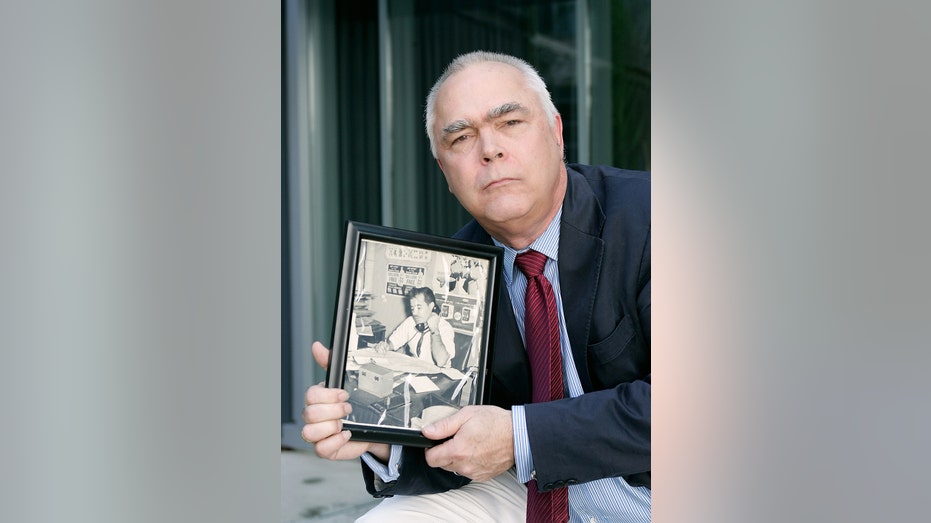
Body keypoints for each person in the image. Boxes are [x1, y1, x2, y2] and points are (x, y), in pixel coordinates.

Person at [302, 50, 651, 522]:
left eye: (509, 122)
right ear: (445, 173)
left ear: (556, 132)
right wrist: (381, 435)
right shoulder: (454, 270)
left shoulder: (654, 216)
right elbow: (469, 444)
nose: (489, 149)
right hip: (539, 494)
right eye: (462, 137)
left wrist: (518, 436)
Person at [374, 286, 456, 368]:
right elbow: (393, 342)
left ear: (431, 306)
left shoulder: (445, 327)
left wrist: (434, 330)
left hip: (439, 375)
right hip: (417, 371)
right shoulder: (410, 321)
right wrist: (385, 346)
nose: (414, 313)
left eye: (419, 307)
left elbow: (441, 361)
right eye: (412, 308)